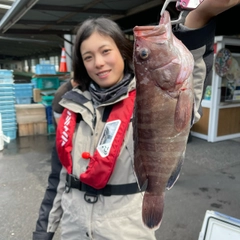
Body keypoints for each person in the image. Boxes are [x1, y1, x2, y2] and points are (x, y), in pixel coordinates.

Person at [33, 1, 240, 239]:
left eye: (105, 51)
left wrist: (199, 16)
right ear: (81, 63)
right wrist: (43, 232)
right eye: (88, 56)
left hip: (126, 230)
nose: (98, 62)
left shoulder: (146, 93)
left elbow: (189, 82)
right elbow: (58, 178)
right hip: (73, 229)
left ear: (122, 51)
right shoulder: (70, 106)